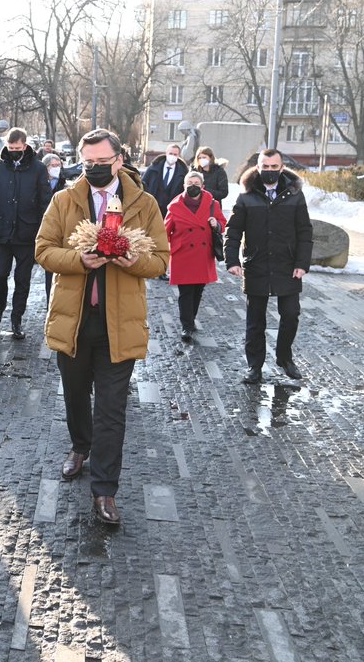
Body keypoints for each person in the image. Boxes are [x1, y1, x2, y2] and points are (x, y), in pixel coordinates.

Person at [35, 129, 169, 526]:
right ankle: (80, 445)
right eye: (87, 162)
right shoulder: (64, 199)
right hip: (73, 321)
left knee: (112, 408)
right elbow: (43, 249)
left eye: (101, 162)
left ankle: (105, 490)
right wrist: (79, 259)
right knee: (76, 394)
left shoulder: (143, 204)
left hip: (119, 324)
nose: (93, 168)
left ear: (119, 159)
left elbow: (161, 259)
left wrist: (134, 262)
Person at [224, 149, 312, 384]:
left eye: (274, 167)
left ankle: (284, 358)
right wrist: (232, 260)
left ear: (282, 168)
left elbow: (305, 231)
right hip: (257, 265)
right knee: (255, 321)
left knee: (291, 315)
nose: (270, 171)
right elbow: (233, 232)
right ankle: (255, 367)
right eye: (266, 167)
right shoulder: (247, 196)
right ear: (258, 167)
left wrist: (302, 263)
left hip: (288, 266)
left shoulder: (295, 196)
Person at [0, 128, 51, 340]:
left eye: (17, 149)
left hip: (27, 233)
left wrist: (43, 231)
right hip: (0, 233)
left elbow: (44, 202)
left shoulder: (38, 168)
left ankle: (17, 317)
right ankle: (1, 305)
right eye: (10, 148)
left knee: (23, 279)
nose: (14, 152)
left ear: (25, 146)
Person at [164, 171, 226, 343]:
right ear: (184, 185)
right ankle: (187, 326)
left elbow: (223, 224)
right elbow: (165, 230)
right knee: (185, 292)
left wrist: (217, 224)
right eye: (189, 182)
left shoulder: (212, 204)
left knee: (198, 291)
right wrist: (161, 252)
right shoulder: (174, 206)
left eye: (196, 183)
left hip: (202, 254)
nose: (193, 186)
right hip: (182, 254)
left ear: (202, 186)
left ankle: (190, 319)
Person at [41, 153, 70, 302]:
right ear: (46, 167)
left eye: (58, 165)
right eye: (53, 165)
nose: (57, 168)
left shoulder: (64, 185)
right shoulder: (40, 183)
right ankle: (49, 302)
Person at [142, 143, 187, 214]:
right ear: (166, 153)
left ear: (179, 156)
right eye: (170, 153)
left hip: (171, 210)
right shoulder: (153, 168)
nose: (172, 156)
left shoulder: (183, 173)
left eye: (175, 154)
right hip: (152, 207)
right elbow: (143, 184)